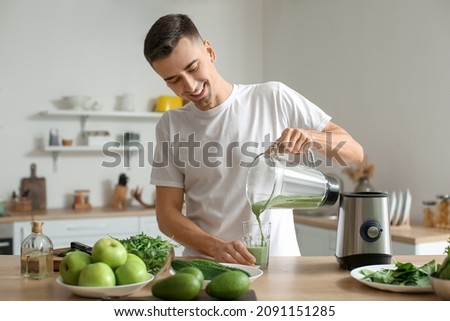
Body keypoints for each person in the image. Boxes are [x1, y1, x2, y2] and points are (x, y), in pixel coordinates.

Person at [143, 14, 364, 265]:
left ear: (209, 51)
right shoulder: (172, 125)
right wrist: (215, 248)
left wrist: (312, 137)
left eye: (193, 67)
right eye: (173, 80)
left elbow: (355, 153)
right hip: (207, 268)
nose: (190, 85)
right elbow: (167, 215)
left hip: (280, 266)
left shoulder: (272, 97)